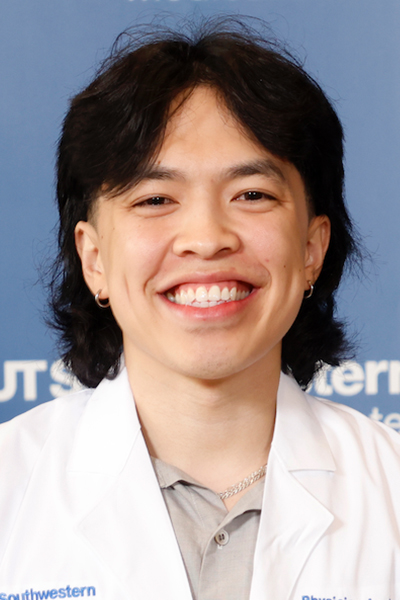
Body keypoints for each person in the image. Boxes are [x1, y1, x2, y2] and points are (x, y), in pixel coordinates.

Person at [0, 18, 399, 600]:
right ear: (94, 258)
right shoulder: (10, 484)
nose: (207, 238)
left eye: (252, 195)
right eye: (155, 199)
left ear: (313, 249)